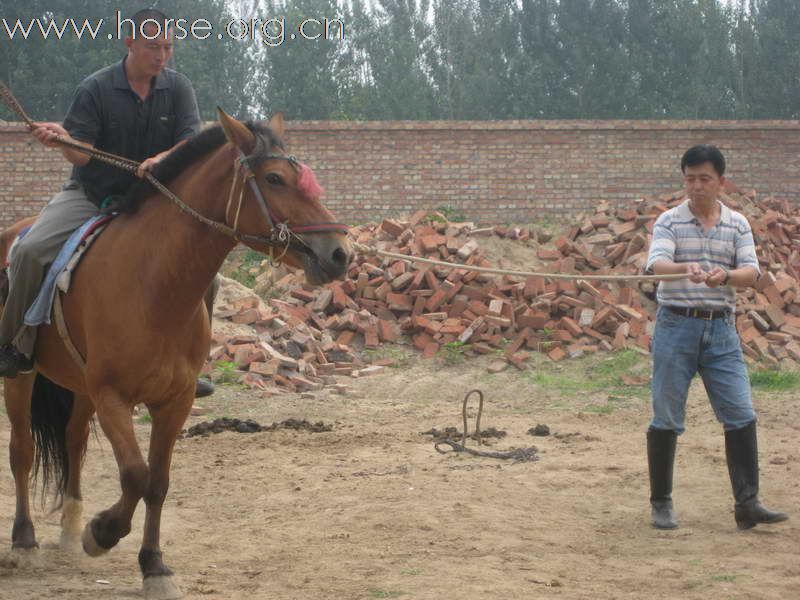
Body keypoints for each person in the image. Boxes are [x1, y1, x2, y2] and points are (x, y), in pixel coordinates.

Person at [0, 9, 215, 397]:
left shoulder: (179, 89)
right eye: (153, 47)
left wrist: (164, 158)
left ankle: (190, 363)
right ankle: (14, 344)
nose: (162, 55)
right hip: (91, 196)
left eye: (168, 47)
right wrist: (63, 139)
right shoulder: (95, 89)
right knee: (30, 251)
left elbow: (190, 142)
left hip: (153, 204)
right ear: (129, 42)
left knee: (207, 273)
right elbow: (82, 155)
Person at [645, 144, 788, 530]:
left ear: (721, 182)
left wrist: (724, 276)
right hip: (676, 326)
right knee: (667, 416)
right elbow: (657, 264)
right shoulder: (669, 222)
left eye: (704, 179)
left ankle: (748, 504)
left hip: (721, 330)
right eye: (689, 179)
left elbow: (751, 272)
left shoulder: (737, 224)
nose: (696, 186)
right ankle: (661, 503)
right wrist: (682, 267)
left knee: (741, 413)